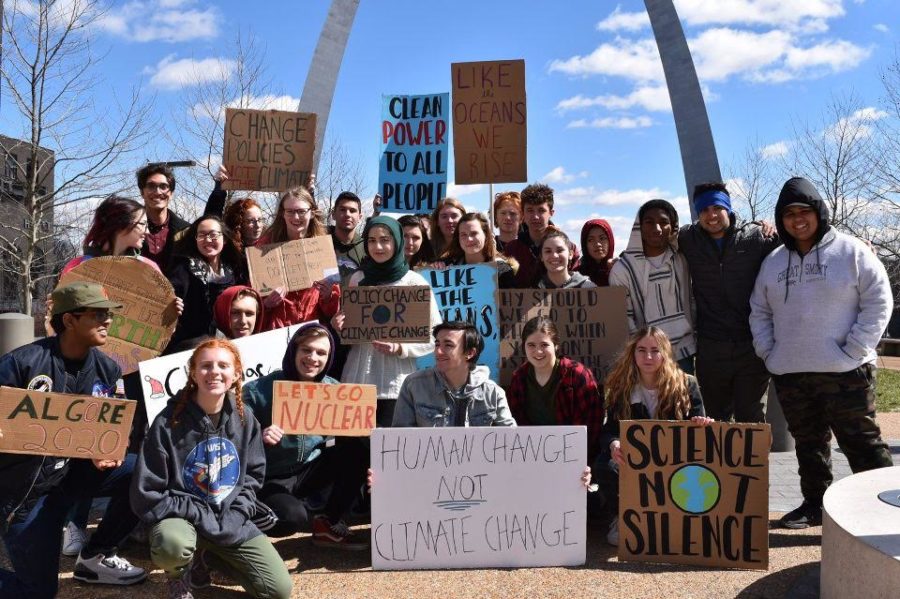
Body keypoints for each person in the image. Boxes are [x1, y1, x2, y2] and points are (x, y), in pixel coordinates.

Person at [750, 177, 894, 529]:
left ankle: (885, 510)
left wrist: (856, 347)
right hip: (792, 372)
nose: (797, 220)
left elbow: (879, 299)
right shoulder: (773, 262)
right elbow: (759, 310)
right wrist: (769, 352)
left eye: (804, 211)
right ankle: (815, 505)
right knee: (809, 445)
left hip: (846, 371)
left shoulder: (851, 251)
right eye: (788, 214)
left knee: (862, 444)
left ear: (819, 212)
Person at [0, 282, 146, 595]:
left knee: (146, 471)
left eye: (108, 314)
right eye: (97, 314)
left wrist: (108, 450)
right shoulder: (21, 364)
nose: (107, 321)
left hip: (74, 476)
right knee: (37, 592)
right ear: (69, 320)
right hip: (27, 491)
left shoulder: (108, 370)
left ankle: (97, 553)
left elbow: (117, 429)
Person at [131, 339, 292, 599]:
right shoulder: (167, 422)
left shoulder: (244, 417)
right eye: (206, 366)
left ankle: (209, 557)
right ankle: (178, 574)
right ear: (193, 373)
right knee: (173, 545)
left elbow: (253, 476)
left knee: (278, 591)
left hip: (227, 517)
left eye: (223, 365)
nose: (214, 372)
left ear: (236, 374)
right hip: (182, 519)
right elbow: (147, 493)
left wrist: (238, 513)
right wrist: (200, 515)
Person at [242, 324, 369, 549]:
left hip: (309, 471)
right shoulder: (258, 390)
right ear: (294, 351)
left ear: (329, 358)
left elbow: (358, 439)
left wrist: (373, 469)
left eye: (321, 353)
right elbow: (232, 435)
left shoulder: (334, 390)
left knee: (359, 443)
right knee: (291, 519)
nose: (313, 358)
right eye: (306, 350)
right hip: (270, 477)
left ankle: (328, 523)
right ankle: (240, 527)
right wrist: (258, 436)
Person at [598, 326, 711, 546]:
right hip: (636, 458)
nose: (648, 356)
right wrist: (614, 443)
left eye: (655, 350)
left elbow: (701, 426)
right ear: (633, 353)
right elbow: (609, 429)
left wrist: (702, 423)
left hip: (674, 459)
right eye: (641, 350)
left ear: (665, 354)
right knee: (605, 465)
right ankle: (622, 517)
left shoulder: (686, 384)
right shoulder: (621, 387)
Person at [678, 183, 779, 423]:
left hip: (751, 346)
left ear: (729, 208)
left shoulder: (756, 237)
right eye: (704, 210)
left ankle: (751, 463)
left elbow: (800, 241)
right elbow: (653, 245)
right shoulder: (687, 239)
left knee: (751, 419)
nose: (711, 215)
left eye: (717, 208)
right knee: (713, 420)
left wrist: (860, 245)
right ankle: (714, 464)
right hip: (711, 348)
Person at [333, 215, 443, 427]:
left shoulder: (414, 282)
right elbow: (350, 330)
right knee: (352, 456)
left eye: (385, 239)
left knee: (389, 455)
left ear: (397, 241)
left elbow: (435, 335)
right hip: (355, 385)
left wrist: (401, 347)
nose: (378, 246)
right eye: (372, 241)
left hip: (395, 388)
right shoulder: (357, 279)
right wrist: (339, 326)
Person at [609, 199, 696, 372]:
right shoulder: (623, 269)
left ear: (673, 227)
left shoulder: (683, 258)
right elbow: (625, 317)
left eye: (664, 222)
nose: (656, 229)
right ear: (638, 227)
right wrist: (642, 351)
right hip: (646, 357)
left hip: (684, 352)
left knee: (684, 398)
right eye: (649, 222)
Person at [507, 316, 604, 464]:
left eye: (544, 345)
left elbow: (591, 429)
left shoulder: (578, 376)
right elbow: (515, 427)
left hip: (575, 459)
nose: (538, 351)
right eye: (531, 345)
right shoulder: (519, 378)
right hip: (530, 459)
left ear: (556, 345)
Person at [392, 321, 516, 427]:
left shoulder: (493, 392)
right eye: (437, 344)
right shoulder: (414, 385)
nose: (438, 351)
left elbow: (512, 440)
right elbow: (400, 439)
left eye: (448, 345)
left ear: (470, 352)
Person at [255, 186, 341, 331]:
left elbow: (332, 311)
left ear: (312, 213)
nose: (295, 217)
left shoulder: (322, 248)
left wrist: (328, 296)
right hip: (274, 332)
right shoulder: (263, 247)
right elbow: (250, 301)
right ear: (282, 213)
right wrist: (266, 304)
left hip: (310, 332)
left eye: (301, 211)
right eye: (290, 211)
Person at [167, 215, 248, 352]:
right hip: (190, 345)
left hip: (231, 340)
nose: (208, 240)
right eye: (202, 235)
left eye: (213, 235)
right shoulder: (183, 268)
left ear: (225, 239)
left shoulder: (236, 270)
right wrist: (173, 304)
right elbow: (170, 296)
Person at [503, 183, 580, 287]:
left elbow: (577, 286)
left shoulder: (568, 248)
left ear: (551, 213)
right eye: (530, 210)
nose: (535, 216)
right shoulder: (512, 250)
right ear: (522, 213)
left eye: (541, 210)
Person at [436, 212, 518, 288]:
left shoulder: (502, 270)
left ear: (486, 235)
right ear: (458, 238)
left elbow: (510, 301)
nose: (469, 239)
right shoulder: (446, 266)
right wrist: (435, 271)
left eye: (474, 233)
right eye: (463, 235)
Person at [138, 163, 190, 273]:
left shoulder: (187, 231)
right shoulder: (127, 228)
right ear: (142, 192)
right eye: (151, 186)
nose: (157, 192)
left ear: (171, 193)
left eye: (163, 186)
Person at [329, 191, 366, 284]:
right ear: (333, 214)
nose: (347, 214)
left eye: (352, 211)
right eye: (342, 209)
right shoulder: (320, 242)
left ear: (359, 217)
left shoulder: (367, 248)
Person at [578, 219, 615, 287]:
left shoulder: (620, 271)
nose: (597, 244)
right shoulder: (576, 276)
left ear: (610, 241)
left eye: (602, 238)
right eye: (591, 240)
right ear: (584, 244)